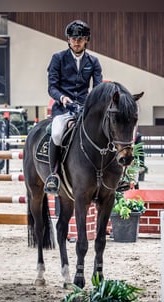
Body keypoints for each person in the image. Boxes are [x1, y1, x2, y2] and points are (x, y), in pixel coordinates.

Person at [44, 19, 103, 194]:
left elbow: (98, 87)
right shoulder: (58, 58)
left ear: (86, 40)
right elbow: (52, 87)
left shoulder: (93, 61)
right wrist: (62, 98)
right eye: (73, 38)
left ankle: (113, 175)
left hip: (85, 109)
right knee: (56, 133)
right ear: (68, 40)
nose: (76, 41)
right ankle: (53, 175)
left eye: (81, 38)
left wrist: (92, 104)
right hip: (63, 108)